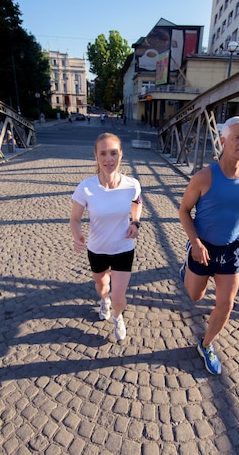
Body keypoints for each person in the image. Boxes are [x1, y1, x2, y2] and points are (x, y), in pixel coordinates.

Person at [178, 116, 239, 375]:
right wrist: (195, 243)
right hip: (202, 247)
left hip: (230, 251)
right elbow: (184, 210)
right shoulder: (204, 177)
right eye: (237, 137)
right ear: (223, 141)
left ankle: (206, 344)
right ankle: (187, 269)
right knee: (195, 296)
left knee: (226, 304)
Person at [70, 133, 142, 341]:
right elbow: (75, 219)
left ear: (121, 155)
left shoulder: (132, 184)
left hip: (123, 248)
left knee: (119, 297)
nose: (108, 159)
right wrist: (77, 236)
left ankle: (117, 317)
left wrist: (135, 223)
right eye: (103, 153)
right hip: (97, 248)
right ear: (96, 155)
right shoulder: (86, 187)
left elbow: (137, 203)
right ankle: (104, 301)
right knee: (103, 287)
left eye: (113, 153)